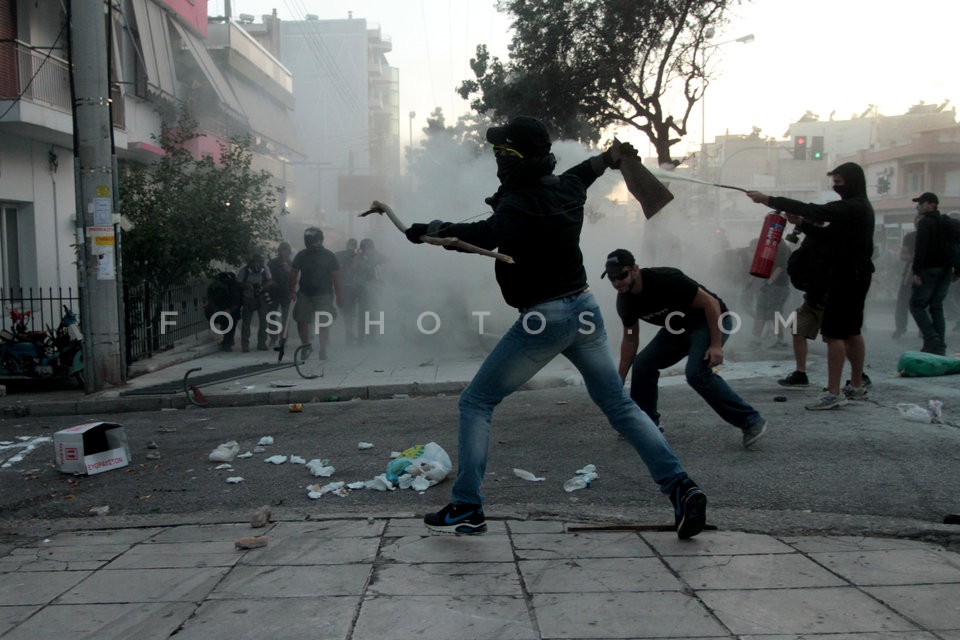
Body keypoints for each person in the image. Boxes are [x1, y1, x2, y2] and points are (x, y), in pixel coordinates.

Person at [402, 115, 707, 539]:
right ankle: (682, 488)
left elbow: (483, 235)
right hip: (584, 309)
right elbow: (588, 170)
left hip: (545, 318)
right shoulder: (567, 187)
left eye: (501, 150)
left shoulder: (518, 202)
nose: (496, 156)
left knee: (476, 402)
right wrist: (610, 157)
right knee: (620, 407)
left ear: (516, 157)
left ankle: (467, 506)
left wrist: (430, 231)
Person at [603, 249, 768, 449]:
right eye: (612, 278)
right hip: (678, 329)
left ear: (635, 269)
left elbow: (711, 303)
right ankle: (646, 425)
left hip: (710, 321)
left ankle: (750, 420)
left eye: (622, 275)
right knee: (643, 364)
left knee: (696, 373)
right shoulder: (626, 301)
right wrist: (620, 378)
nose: (617, 282)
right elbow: (630, 339)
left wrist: (716, 345)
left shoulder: (666, 279)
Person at [746, 162, 875, 410]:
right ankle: (856, 386)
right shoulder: (858, 208)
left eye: (839, 182)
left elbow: (813, 209)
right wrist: (802, 224)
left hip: (845, 276)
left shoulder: (852, 207)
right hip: (856, 275)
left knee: (835, 334)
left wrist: (768, 200)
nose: (836, 187)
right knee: (852, 332)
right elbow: (828, 237)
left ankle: (833, 392)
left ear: (853, 182)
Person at [909, 192, 954, 355]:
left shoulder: (925, 222)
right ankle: (939, 346)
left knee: (916, 305)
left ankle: (932, 338)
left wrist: (916, 271)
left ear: (930, 204)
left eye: (921, 203)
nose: (918, 206)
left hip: (929, 270)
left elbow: (920, 248)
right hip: (946, 270)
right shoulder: (946, 222)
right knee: (936, 306)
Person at [289, 227, 342, 361]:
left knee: (323, 322)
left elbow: (335, 276)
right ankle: (306, 346)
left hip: (324, 294)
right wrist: (292, 291)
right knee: (301, 320)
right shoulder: (301, 255)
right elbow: (294, 272)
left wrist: (339, 295)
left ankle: (323, 349)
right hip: (304, 293)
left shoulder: (329, 256)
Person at [750, 241, 790, 349]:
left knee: (774, 313)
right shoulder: (772, 244)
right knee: (761, 310)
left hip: (778, 286)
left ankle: (781, 341)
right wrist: (753, 280)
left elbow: (781, 267)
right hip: (768, 283)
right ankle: (756, 339)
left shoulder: (782, 247)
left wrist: (769, 283)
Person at [237, 254, 273, 352]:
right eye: (255, 262)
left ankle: (262, 343)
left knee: (264, 320)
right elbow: (238, 283)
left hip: (261, 296)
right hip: (248, 297)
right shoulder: (244, 270)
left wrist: (262, 287)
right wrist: (247, 285)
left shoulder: (265, 269)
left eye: (259, 262)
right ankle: (245, 344)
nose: (257, 265)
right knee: (246, 321)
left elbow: (270, 281)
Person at [355, 238, 385, 344]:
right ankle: (366, 337)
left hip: (369, 288)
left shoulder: (371, 257)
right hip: (365, 289)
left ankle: (367, 337)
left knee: (369, 313)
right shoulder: (360, 258)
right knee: (367, 314)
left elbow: (384, 260)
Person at [892, 220, 918, 339]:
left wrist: (912, 258)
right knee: (926, 303)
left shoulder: (910, 237)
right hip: (927, 273)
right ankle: (925, 331)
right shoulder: (936, 236)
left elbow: (903, 256)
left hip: (911, 273)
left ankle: (900, 328)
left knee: (903, 302)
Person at [204, 271, 242, 351]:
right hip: (221, 308)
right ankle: (227, 341)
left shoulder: (232, 286)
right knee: (226, 325)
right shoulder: (215, 287)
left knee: (230, 325)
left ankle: (228, 342)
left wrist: (229, 310)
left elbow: (236, 300)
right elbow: (210, 298)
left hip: (231, 309)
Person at [335, 238, 361, 345]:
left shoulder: (338, 255)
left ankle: (348, 333)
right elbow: (354, 268)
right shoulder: (356, 256)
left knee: (347, 312)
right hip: (350, 287)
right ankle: (349, 334)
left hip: (343, 286)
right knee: (349, 312)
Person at [267, 242, 293, 347]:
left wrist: (288, 270)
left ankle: (283, 339)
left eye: (287, 250)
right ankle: (273, 338)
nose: (285, 252)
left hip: (287, 293)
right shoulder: (272, 263)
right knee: (271, 316)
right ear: (279, 251)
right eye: (283, 250)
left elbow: (296, 277)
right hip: (273, 293)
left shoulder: (292, 264)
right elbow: (267, 276)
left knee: (286, 318)